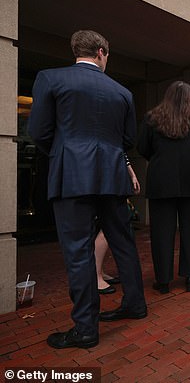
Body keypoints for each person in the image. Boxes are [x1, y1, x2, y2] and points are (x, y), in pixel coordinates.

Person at [28, 30, 147, 349]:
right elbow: (127, 139)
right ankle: (135, 304)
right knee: (123, 241)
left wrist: (66, 152)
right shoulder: (122, 92)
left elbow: (38, 131)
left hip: (72, 175)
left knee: (78, 250)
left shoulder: (51, 79)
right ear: (101, 52)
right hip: (112, 175)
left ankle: (85, 329)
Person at [137, 81, 190, 294]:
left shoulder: (152, 119)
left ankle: (164, 280)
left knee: (161, 233)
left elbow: (142, 148)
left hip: (161, 184)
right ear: (188, 98)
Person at [96, 157, 141, 295]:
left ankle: (99, 272)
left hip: (109, 174)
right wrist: (132, 174)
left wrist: (132, 174)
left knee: (104, 227)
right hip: (103, 176)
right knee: (106, 228)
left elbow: (122, 153)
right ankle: (96, 275)